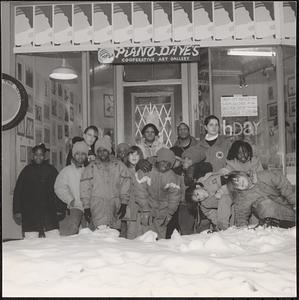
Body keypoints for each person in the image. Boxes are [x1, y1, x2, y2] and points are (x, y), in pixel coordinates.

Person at [13, 143, 65, 238]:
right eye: (36, 154)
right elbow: (18, 191)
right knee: (31, 239)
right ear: (33, 156)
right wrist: (17, 210)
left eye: (41, 155)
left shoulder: (51, 170)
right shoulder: (26, 171)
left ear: (45, 156)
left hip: (49, 211)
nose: (38, 157)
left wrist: (60, 208)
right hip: (30, 212)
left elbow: (60, 189)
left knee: (53, 237)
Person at [80, 135, 131, 231]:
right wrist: (86, 207)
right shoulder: (91, 167)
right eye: (99, 151)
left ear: (109, 150)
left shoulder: (119, 166)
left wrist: (124, 203)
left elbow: (125, 185)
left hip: (115, 207)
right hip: (97, 208)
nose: (102, 153)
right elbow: (85, 189)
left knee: (114, 235)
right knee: (99, 238)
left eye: (104, 150)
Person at [135, 148, 182, 239]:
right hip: (145, 208)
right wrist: (145, 209)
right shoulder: (146, 170)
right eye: (163, 161)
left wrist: (169, 214)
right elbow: (140, 192)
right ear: (158, 160)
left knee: (160, 239)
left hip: (162, 212)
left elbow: (174, 197)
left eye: (169, 164)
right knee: (144, 237)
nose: (165, 165)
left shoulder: (172, 177)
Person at [225, 170, 295, 228]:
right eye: (236, 186)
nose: (239, 183)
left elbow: (284, 185)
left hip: (288, 210)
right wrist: (242, 227)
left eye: (237, 179)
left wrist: (294, 202)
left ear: (242, 174)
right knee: (263, 203)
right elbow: (241, 214)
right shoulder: (244, 197)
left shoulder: (264, 176)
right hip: (270, 218)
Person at [167, 122, 198, 237]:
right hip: (174, 202)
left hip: (187, 200)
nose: (183, 131)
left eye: (185, 129)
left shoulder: (197, 146)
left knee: (187, 229)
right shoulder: (174, 147)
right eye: (180, 129)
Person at [54, 141, 89, 236]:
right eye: (77, 154)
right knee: (71, 231)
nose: (80, 156)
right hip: (75, 207)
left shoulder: (89, 170)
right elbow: (59, 187)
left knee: (89, 233)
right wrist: (70, 199)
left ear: (86, 156)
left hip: (89, 208)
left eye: (83, 154)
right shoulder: (67, 171)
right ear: (73, 155)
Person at [180, 147, 211, 234]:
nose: (185, 161)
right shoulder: (179, 171)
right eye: (184, 158)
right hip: (184, 206)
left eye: (189, 159)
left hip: (202, 208)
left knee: (203, 231)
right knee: (186, 231)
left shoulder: (203, 171)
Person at [123, 146, 144, 239]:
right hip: (129, 206)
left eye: (137, 154)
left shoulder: (143, 171)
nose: (134, 157)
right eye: (131, 154)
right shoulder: (123, 171)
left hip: (142, 207)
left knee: (141, 233)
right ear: (127, 156)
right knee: (131, 232)